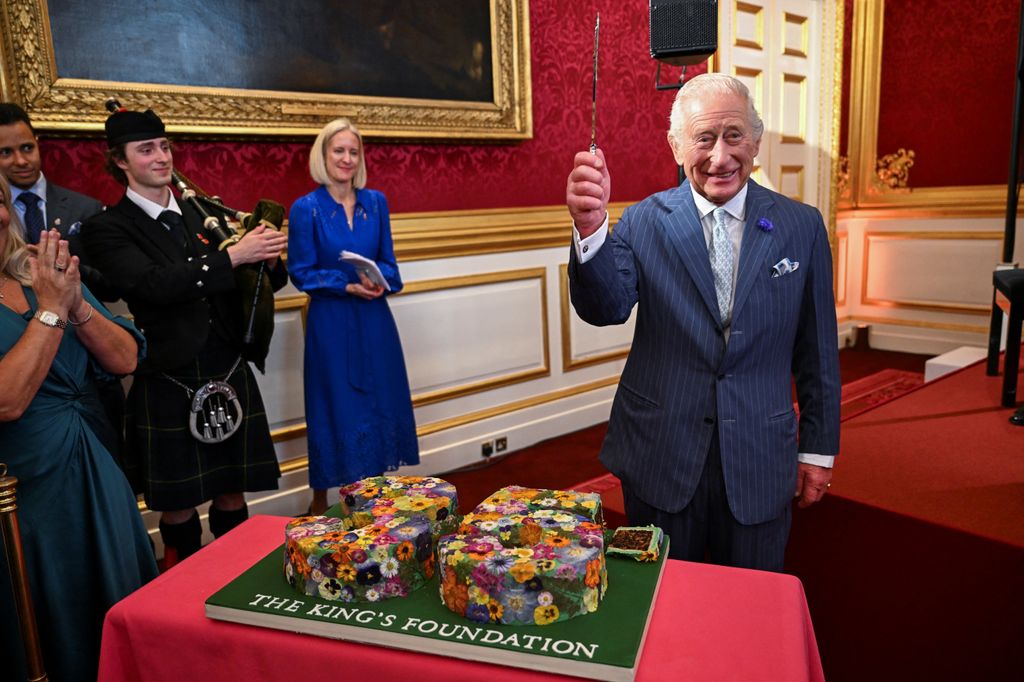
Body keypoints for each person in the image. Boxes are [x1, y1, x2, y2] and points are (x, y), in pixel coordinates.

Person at [566, 74, 840, 571]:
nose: (720, 157)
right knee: (661, 605)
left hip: (759, 456)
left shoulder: (801, 227)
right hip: (660, 456)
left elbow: (817, 350)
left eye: (734, 135)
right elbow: (606, 309)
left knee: (752, 607)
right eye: (703, 138)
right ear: (676, 147)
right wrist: (591, 229)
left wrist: (819, 450)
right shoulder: (645, 220)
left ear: (756, 141)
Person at [80, 108, 288, 566]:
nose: (161, 157)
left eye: (165, 146)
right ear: (120, 161)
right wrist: (234, 258)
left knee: (232, 489)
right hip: (169, 373)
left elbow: (261, 285)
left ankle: (237, 572)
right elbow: (152, 284)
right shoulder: (108, 229)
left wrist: (268, 261)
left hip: (228, 366)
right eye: (146, 149)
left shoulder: (206, 212)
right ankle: (184, 587)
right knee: (178, 501)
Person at [0, 175, 158, 682]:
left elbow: (126, 357)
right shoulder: (45, 292)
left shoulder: (40, 272)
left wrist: (76, 303)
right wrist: (50, 310)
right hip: (27, 489)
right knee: (52, 619)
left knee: (120, 595)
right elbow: (7, 401)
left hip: (97, 465)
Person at [288, 118, 418, 515]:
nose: (346, 159)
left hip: (375, 320)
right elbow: (301, 271)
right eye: (338, 151)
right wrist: (345, 285)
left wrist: (380, 281)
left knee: (380, 399)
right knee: (337, 404)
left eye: (353, 151)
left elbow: (391, 265)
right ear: (323, 155)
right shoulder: (305, 209)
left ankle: (378, 496)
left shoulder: (375, 202)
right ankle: (329, 500)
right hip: (331, 322)